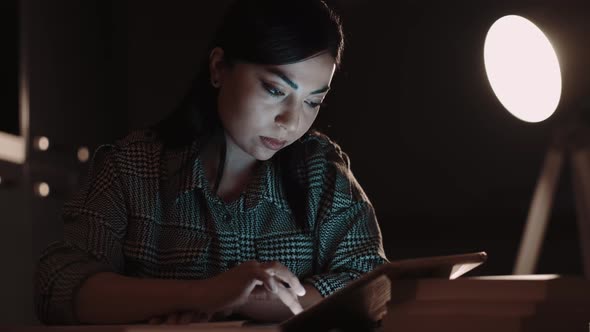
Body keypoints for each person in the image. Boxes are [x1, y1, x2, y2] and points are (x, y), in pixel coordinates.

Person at [34, 0, 387, 325]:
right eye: (276, 90)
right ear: (219, 68)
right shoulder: (130, 167)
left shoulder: (322, 172)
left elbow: (374, 285)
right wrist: (201, 294)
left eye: (312, 102)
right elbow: (61, 286)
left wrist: (243, 303)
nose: (291, 121)